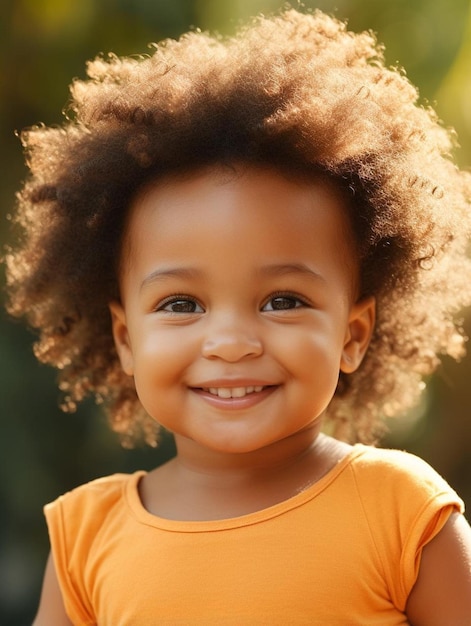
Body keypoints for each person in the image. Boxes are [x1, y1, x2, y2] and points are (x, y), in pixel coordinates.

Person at [5, 7, 471, 625]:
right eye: (181, 304)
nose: (229, 342)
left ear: (352, 335)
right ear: (126, 338)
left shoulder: (403, 512)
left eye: (283, 301)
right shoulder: (85, 536)